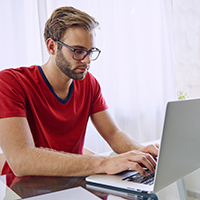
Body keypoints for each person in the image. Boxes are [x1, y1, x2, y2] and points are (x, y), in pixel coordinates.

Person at [0, 6, 158, 177]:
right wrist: (103, 163)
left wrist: (141, 151)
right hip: (25, 188)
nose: (87, 60)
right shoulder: (10, 82)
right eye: (78, 51)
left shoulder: (89, 83)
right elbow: (21, 160)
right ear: (52, 47)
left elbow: (113, 134)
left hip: (72, 181)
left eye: (90, 51)